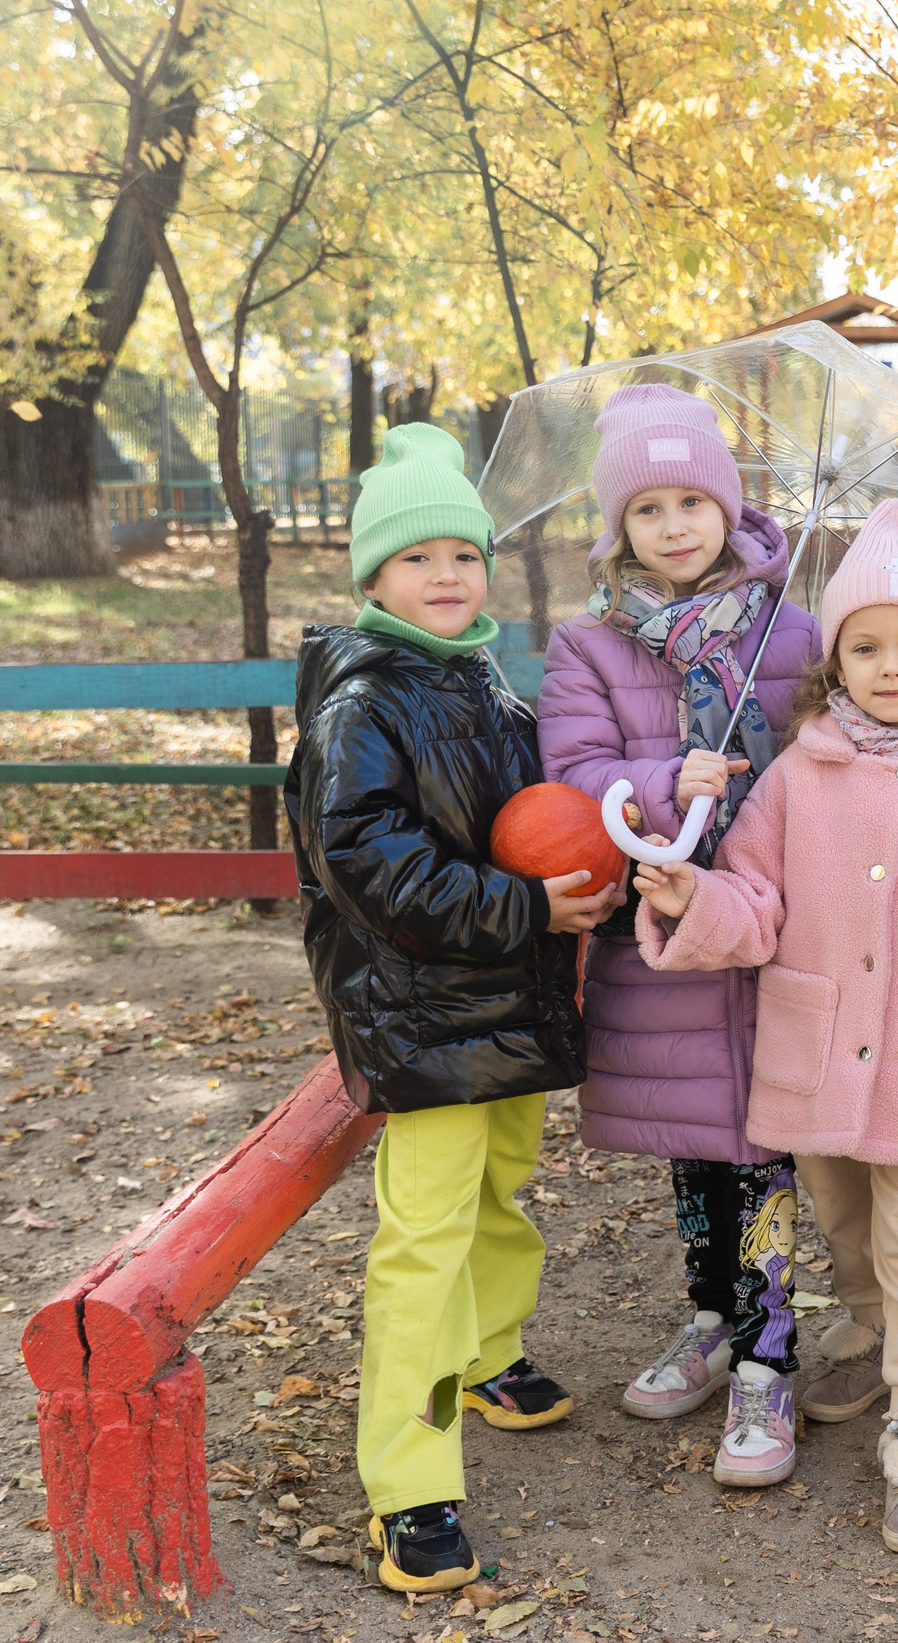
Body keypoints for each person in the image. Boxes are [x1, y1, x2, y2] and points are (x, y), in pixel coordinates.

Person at [633, 499, 898, 1552]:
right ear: (835, 658)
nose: (889, 665)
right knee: (842, 1216)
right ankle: (861, 1327)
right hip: (812, 1058)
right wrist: (690, 900)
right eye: (865, 645)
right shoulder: (794, 775)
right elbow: (754, 903)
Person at [286, 424, 623, 1595]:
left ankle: (489, 1356)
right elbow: (368, 864)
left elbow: (540, 811)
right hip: (420, 1009)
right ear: (372, 577)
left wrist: (600, 845)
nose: (446, 575)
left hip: (511, 997)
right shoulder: (360, 707)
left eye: (464, 555)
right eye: (417, 556)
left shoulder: (483, 682)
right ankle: (410, 1479)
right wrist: (529, 908)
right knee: (424, 1238)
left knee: (500, 1192)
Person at [536, 384, 821, 1486]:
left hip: (768, 924)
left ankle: (769, 1352)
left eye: (691, 501)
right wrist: (662, 778)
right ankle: (711, 1317)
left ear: (728, 508)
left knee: (766, 1148)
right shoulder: (590, 645)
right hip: (657, 924)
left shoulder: (792, 633)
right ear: (619, 530)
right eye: (647, 509)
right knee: (697, 1142)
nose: (674, 526)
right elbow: (572, 773)